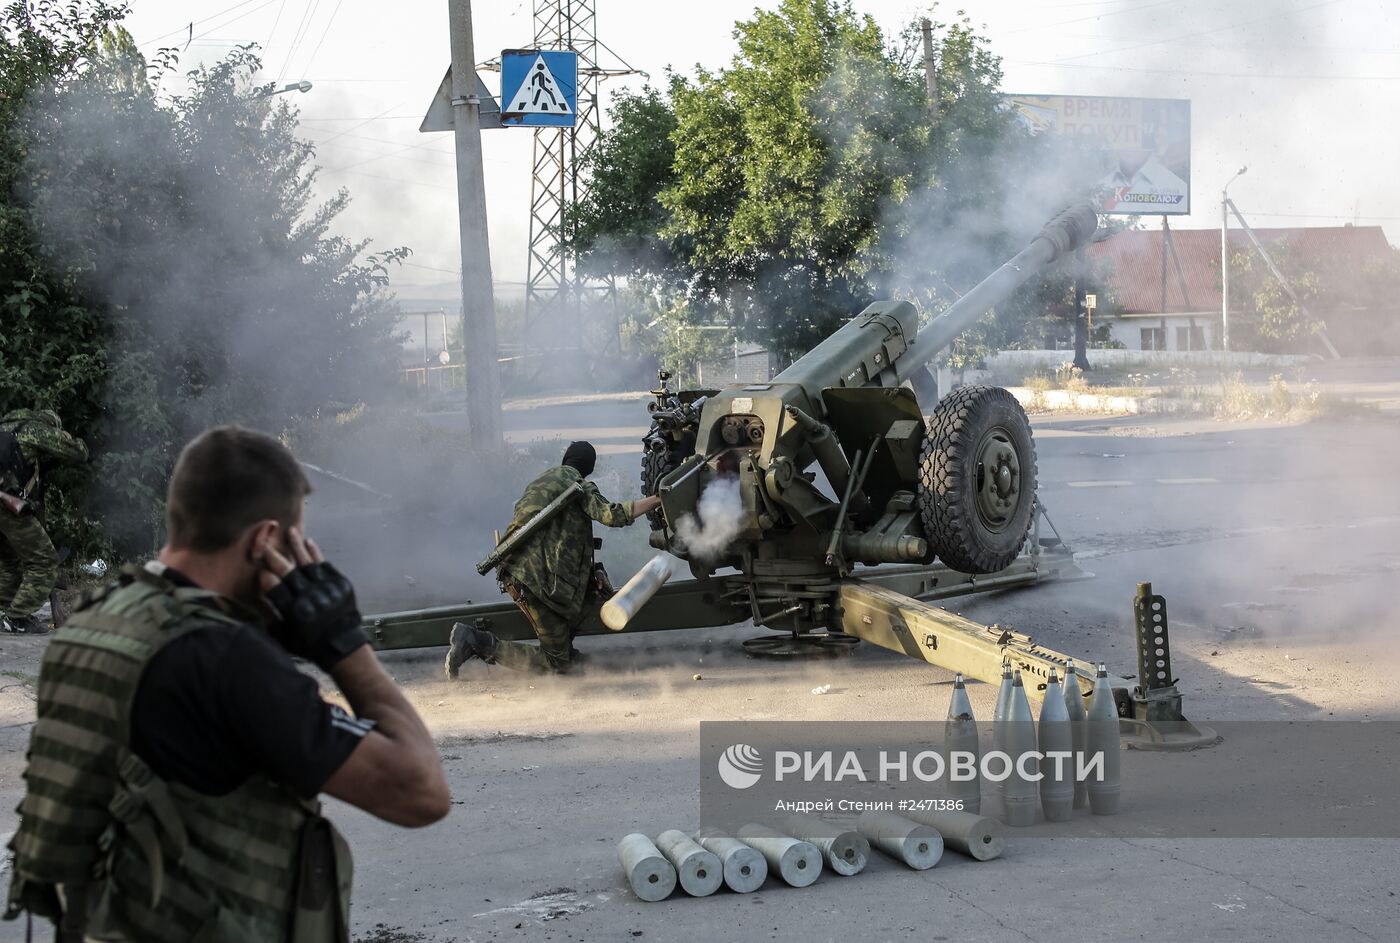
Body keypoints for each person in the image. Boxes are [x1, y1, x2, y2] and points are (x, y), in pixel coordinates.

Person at [5, 426, 450, 942]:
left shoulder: (93, 625)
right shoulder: (226, 660)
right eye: (295, 541)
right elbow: (421, 791)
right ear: (265, 540)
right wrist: (342, 642)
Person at [446, 440, 661, 676]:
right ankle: (476, 641)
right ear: (588, 467)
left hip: (517, 572)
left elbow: (556, 540)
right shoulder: (578, 485)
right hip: (540, 582)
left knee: (585, 601)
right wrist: (658, 498)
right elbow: (613, 515)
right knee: (556, 662)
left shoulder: (540, 483)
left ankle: (566, 652)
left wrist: (594, 572)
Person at [0, 408, 88, 634]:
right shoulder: (34, 430)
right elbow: (79, 452)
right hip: (6, 507)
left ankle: (4, 613)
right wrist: (68, 438)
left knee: (10, 561)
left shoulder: (5, 428)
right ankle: (17, 617)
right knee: (45, 562)